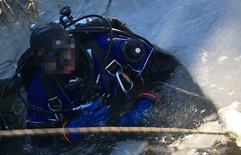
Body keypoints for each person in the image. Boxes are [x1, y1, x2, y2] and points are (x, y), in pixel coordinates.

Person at [20, 11, 179, 145]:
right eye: (53, 60)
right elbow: (38, 138)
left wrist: (147, 101)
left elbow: (166, 66)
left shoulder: (107, 46)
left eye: (64, 52)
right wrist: (73, 129)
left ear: (73, 44)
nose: (63, 62)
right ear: (42, 64)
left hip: (130, 101)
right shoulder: (41, 88)